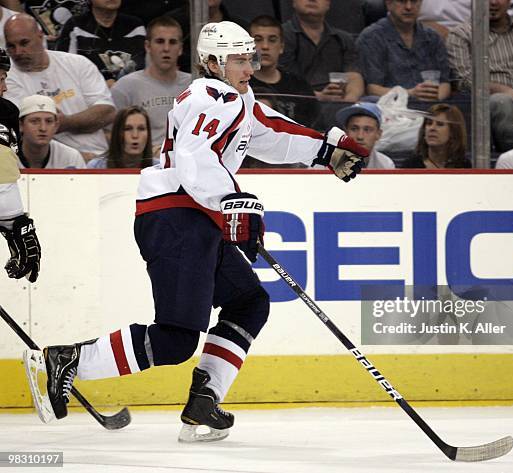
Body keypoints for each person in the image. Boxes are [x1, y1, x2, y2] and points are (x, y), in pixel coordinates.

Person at [24, 21, 368, 442]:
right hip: (176, 217)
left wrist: (325, 149)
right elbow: (194, 156)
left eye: (250, 58)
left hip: (195, 218)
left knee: (249, 302)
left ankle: (204, 401)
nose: (248, 66)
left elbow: (268, 131)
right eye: (239, 59)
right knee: (175, 339)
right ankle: (69, 360)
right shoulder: (210, 96)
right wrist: (234, 201)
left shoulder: (236, 97)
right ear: (211, 62)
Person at [4, 14, 116, 161]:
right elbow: (27, 133)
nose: (18, 52)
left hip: (100, 158)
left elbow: (107, 112)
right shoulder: (7, 79)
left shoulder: (77, 64)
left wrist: (64, 122)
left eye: (24, 43)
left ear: (40, 36)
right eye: (11, 46)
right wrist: (75, 157)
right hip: (53, 163)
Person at [447, 0, 513, 152]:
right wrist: (508, 92)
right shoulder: (461, 34)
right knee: (502, 102)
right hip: (487, 106)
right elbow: (465, 80)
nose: (493, 2)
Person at [111, 16, 191, 153]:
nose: (166, 48)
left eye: (172, 42)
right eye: (160, 42)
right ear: (147, 46)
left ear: (180, 48)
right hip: (142, 165)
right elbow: (111, 135)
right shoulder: (125, 86)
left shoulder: (194, 85)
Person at [0, 47, 41, 284]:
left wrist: (15, 226)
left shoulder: (5, 112)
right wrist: (15, 222)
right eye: (0, 80)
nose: (4, 88)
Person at [356, 0, 451, 101]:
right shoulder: (371, 37)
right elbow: (372, 89)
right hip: (389, 108)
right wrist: (410, 94)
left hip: (431, 107)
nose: (409, 7)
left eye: (414, 1)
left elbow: (445, 83)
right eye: (402, 1)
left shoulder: (433, 37)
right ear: (388, 3)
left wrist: (432, 100)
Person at [279, 0, 364, 103]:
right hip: (296, 101)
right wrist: (319, 96)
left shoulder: (343, 38)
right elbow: (282, 81)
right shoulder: (278, 38)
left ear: (328, 4)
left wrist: (348, 100)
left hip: (339, 101)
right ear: (294, 2)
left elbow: (354, 76)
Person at [248, 15, 318, 128]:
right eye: (258, 39)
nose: (265, 46)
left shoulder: (300, 86)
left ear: (281, 47)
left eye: (272, 40)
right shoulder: (239, 83)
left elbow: (314, 130)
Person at [55, 0, 146, 86]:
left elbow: (145, 63)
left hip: (134, 90)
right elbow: (65, 69)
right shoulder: (76, 26)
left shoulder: (135, 25)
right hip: (93, 93)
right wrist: (100, 84)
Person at [18, 94, 86, 169]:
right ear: (20, 125)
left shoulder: (71, 158)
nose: (43, 128)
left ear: (56, 126)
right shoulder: (4, 158)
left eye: (49, 121)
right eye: (34, 121)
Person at [88, 106, 156, 169]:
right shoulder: (96, 166)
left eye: (141, 129)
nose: (135, 135)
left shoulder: (160, 168)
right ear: (117, 133)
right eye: (127, 129)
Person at [406, 103, 471, 168]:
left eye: (440, 124)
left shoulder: (464, 166)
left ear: (453, 132)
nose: (432, 128)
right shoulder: (411, 165)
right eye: (429, 123)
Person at [335, 102, 395, 169]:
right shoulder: (326, 163)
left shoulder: (386, 164)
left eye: (367, 130)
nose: (360, 136)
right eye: (354, 129)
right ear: (345, 133)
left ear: (378, 134)